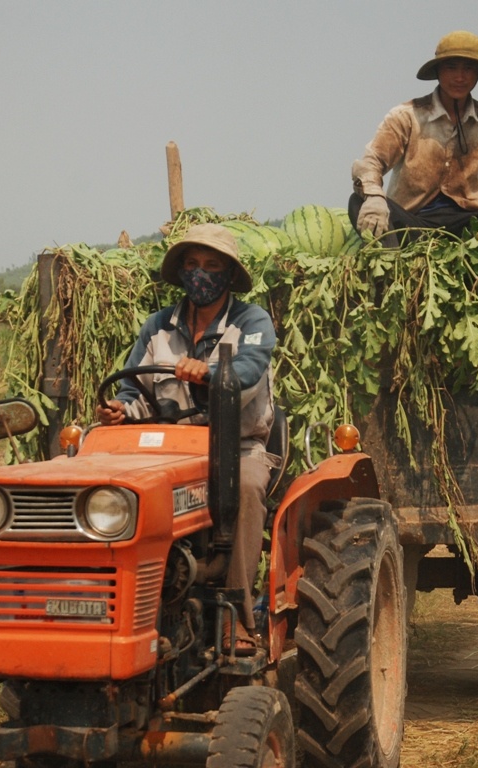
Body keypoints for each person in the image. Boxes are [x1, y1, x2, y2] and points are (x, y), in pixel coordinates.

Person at [96, 223, 279, 654]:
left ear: (229, 275)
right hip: (168, 447)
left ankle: (237, 616)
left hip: (236, 446)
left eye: (212, 265)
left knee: (249, 487)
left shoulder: (251, 321)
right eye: (193, 265)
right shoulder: (158, 327)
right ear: (180, 272)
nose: (201, 273)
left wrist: (211, 375)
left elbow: (248, 377)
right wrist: (122, 411)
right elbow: (135, 391)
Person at [349, 30, 478, 245]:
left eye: (468, 69)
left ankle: (471, 252)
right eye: (451, 68)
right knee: (357, 201)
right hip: (412, 223)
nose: (459, 77)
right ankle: (395, 260)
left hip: (467, 228)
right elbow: (371, 161)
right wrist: (375, 197)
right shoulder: (408, 115)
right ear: (438, 71)